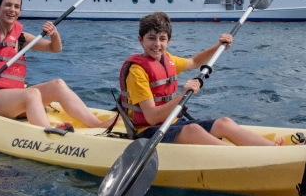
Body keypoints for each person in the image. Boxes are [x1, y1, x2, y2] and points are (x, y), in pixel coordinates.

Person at [118, 12, 290, 146]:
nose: (157, 44)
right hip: (147, 131)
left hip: (172, 122)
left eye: (162, 39)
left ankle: (273, 149)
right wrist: (182, 95)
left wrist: (219, 46)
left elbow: (194, 62)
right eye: (151, 38)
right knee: (193, 130)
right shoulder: (137, 71)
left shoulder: (167, 59)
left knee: (225, 123)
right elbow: (151, 118)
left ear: (168, 40)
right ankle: (248, 159)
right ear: (141, 40)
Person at [0, 0, 107, 130]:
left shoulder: (21, 37)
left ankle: (97, 125)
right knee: (31, 93)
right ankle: (49, 132)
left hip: (15, 100)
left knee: (58, 84)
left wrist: (54, 34)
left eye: (16, 7)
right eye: (8, 5)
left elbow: (54, 48)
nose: (12, 10)